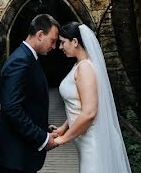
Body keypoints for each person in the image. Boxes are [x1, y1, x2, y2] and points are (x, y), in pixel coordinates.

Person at [51, 22, 132, 172]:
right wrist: (63, 127)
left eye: (62, 42)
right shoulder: (78, 65)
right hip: (83, 142)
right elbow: (78, 105)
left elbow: (89, 112)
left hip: (93, 144)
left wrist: (62, 139)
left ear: (75, 42)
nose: (60, 47)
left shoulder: (85, 69)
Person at [0, 14, 61, 172]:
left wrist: (43, 126)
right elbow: (11, 109)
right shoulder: (20, 61)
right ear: (40, 35)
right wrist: (42, 138)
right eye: (53, 40)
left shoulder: (29, 58)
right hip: (14, 157)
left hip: (22, 155)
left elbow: (27, 102)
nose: (54, 46)